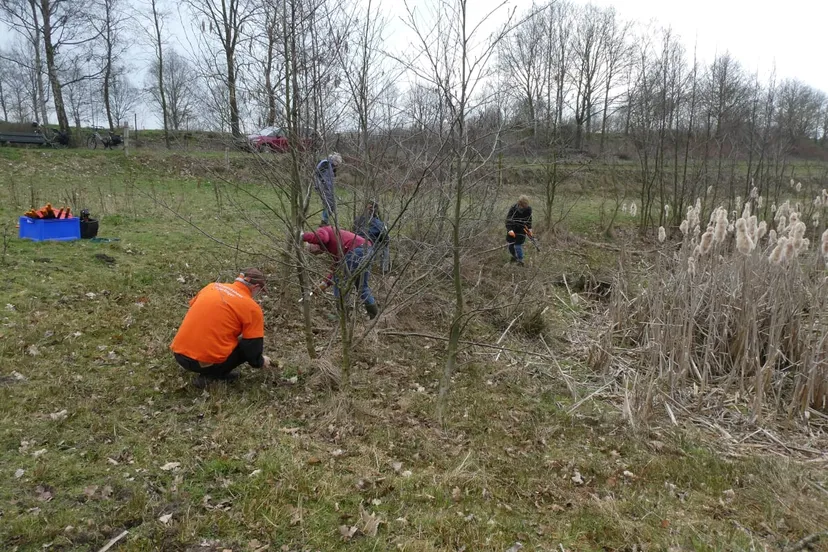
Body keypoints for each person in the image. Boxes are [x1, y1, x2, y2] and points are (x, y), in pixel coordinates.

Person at [171, 268, 271, 387]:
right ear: (255, 287)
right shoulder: (252, 308)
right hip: (201, 362)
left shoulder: (212, 287)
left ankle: (206, 365)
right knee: (245, 343)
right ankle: (212, 375)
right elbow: (252, 347)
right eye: (260, 290)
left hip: (179, 354)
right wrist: (260, 361)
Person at [302, 226, 379, 319]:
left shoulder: (323, 231)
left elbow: (323, 238)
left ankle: (341, 315)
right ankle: (374, 315)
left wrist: (303, 236)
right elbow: (336, 268)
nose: (318, 253)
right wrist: (324, 284)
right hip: (367, 250)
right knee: (362, 286)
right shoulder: (335, 248)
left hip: (356, 251)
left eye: (313, 251)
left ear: (313, 243)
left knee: (339, 282)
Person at [353, 199, 390, 274]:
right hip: (369, 247)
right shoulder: (378, 223)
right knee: (385, 246)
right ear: (375, 211)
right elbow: (386, 240)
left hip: (355, 245)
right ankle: (384, 269)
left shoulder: (357, 219)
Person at [314, 152, 343, 226]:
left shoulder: (331, 167)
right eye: (338, 163)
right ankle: (324, 221)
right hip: (323, 187)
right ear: (335, 161)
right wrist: (321, 184)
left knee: (331, 204)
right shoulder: (325, 163)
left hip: (328, 188)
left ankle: (325, 220)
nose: (338, 166)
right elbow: (317, 174)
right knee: (329, 204)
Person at [505, 195, 533, 266]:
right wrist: (510, 230)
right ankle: (514, 257)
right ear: (520, 203)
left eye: (526, 204)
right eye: (524, 204)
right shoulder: (513, 209)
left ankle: (520, 260)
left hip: (521, 230)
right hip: (512, 228)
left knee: (517, 245)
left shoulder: (528, 209)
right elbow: (508, 220)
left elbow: (529, 220)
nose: (526, 206)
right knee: (510, 245)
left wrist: (529, 229)